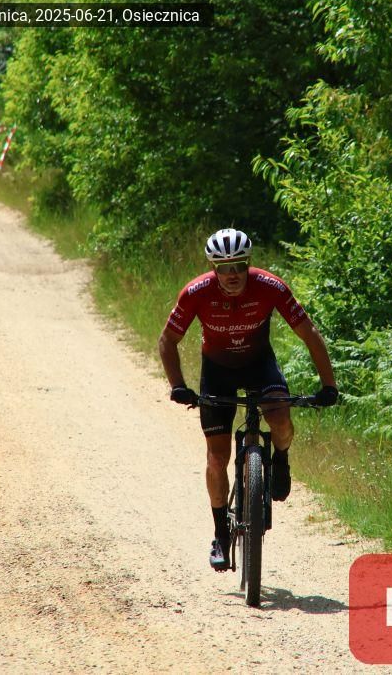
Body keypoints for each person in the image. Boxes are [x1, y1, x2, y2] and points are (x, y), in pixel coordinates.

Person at [158, 228, 338, 571]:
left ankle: (280, 459)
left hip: (260, 366)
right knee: (217, 457)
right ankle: (220, 535)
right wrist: (178, 385)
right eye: (224, 268)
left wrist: (329, 385)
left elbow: (309, 333)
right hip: (218, 372)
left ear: (248, 263)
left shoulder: (270, 286)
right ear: (213, 268)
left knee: (281, 419)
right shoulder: (196, 292)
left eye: (239, 266)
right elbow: (167, 340)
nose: (232, 275)